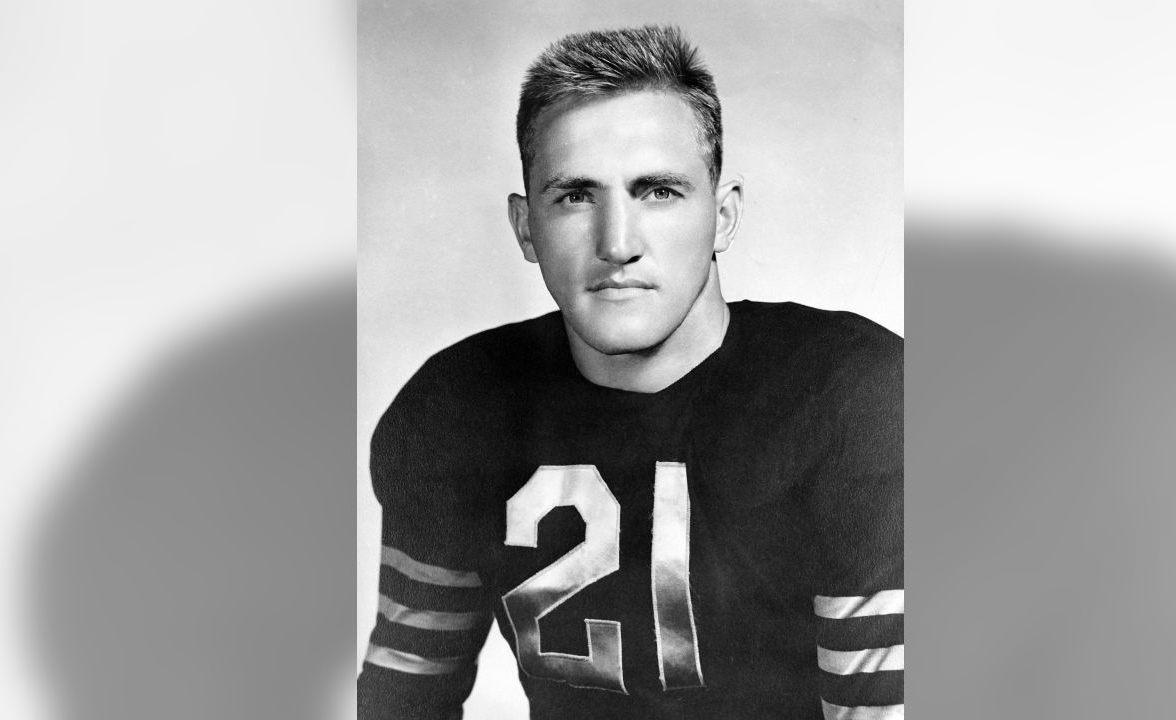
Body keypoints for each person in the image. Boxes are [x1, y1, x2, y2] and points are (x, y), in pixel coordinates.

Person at [357, 25, 903, 720]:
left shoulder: (855, 397)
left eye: (659, 191)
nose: (618, 244)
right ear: (527, 228)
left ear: (723, 215)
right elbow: (402, 701)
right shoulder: (455, 407)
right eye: (575, 196)